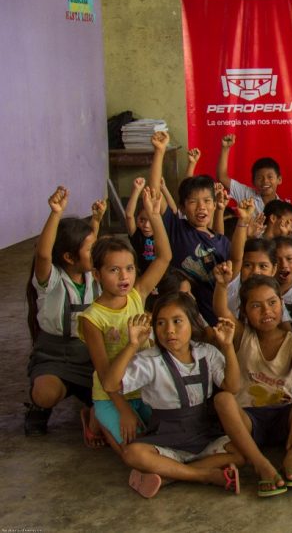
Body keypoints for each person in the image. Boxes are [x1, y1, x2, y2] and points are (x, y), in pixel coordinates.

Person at [101, 294, 243, 498]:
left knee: (240, 451)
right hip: (166, 438)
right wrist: (132, 345)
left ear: (192, 322)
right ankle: (203, 475)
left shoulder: (207, 353)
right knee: (133, 454)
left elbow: (232, 386)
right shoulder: (151, 360)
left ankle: (171, 474)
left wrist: (228, 347)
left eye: (177, 321)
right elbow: (110, 384)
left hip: (203, 433)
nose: (169, 330)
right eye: (161, 323)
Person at [78, 187, 171, 449]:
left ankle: (101, 420)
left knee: (166, 437)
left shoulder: (136, 295)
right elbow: (104, 372)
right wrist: (124, 410)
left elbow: (164, 257)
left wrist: (154, 216)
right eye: (114, 270)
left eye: (129, 269)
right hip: (111, 396)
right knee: (135, 447)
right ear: (96, 275)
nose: (124, 277)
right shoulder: (92, 318)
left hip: (144, 390)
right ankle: (98, 418)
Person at [212, 273, 292, 497]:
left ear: (281, 304)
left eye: (272, 303)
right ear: (244, 312)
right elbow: (221, 311)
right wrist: (221, 285)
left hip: (284, 415)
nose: (267, 311)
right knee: (223, 399)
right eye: (256, 306)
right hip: (249, 419)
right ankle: (260, 464)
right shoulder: (242, 335)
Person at [26, 187, 101, 441]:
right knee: (45, 393)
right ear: (69, 257)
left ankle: (87, 399)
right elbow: (44, 254)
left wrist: (96, 222)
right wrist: (55, 214)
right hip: (54, 353)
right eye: (90, 250)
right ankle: (38, 406)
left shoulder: (94, 276)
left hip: (89, 353)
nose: (96, 254)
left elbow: (90, 247)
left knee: (115, 394)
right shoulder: (51, 280)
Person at [149, 131, 231, 325]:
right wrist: (159, 151)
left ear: (214, 204)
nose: (201, 207)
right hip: (182, 319)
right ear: (183, 208)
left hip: (215, 320)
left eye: (207, 201)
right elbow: (153, 195)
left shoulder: (223, 242)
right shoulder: (177, 229)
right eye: (193, 202)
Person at [216, 133, 283, 210]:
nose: (265, 181)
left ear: (279, 179)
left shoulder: (284, 208)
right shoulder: (246, 194)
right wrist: (225, 148)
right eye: (259, 178)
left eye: (270, 177)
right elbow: (222, 178)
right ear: (253, 181)